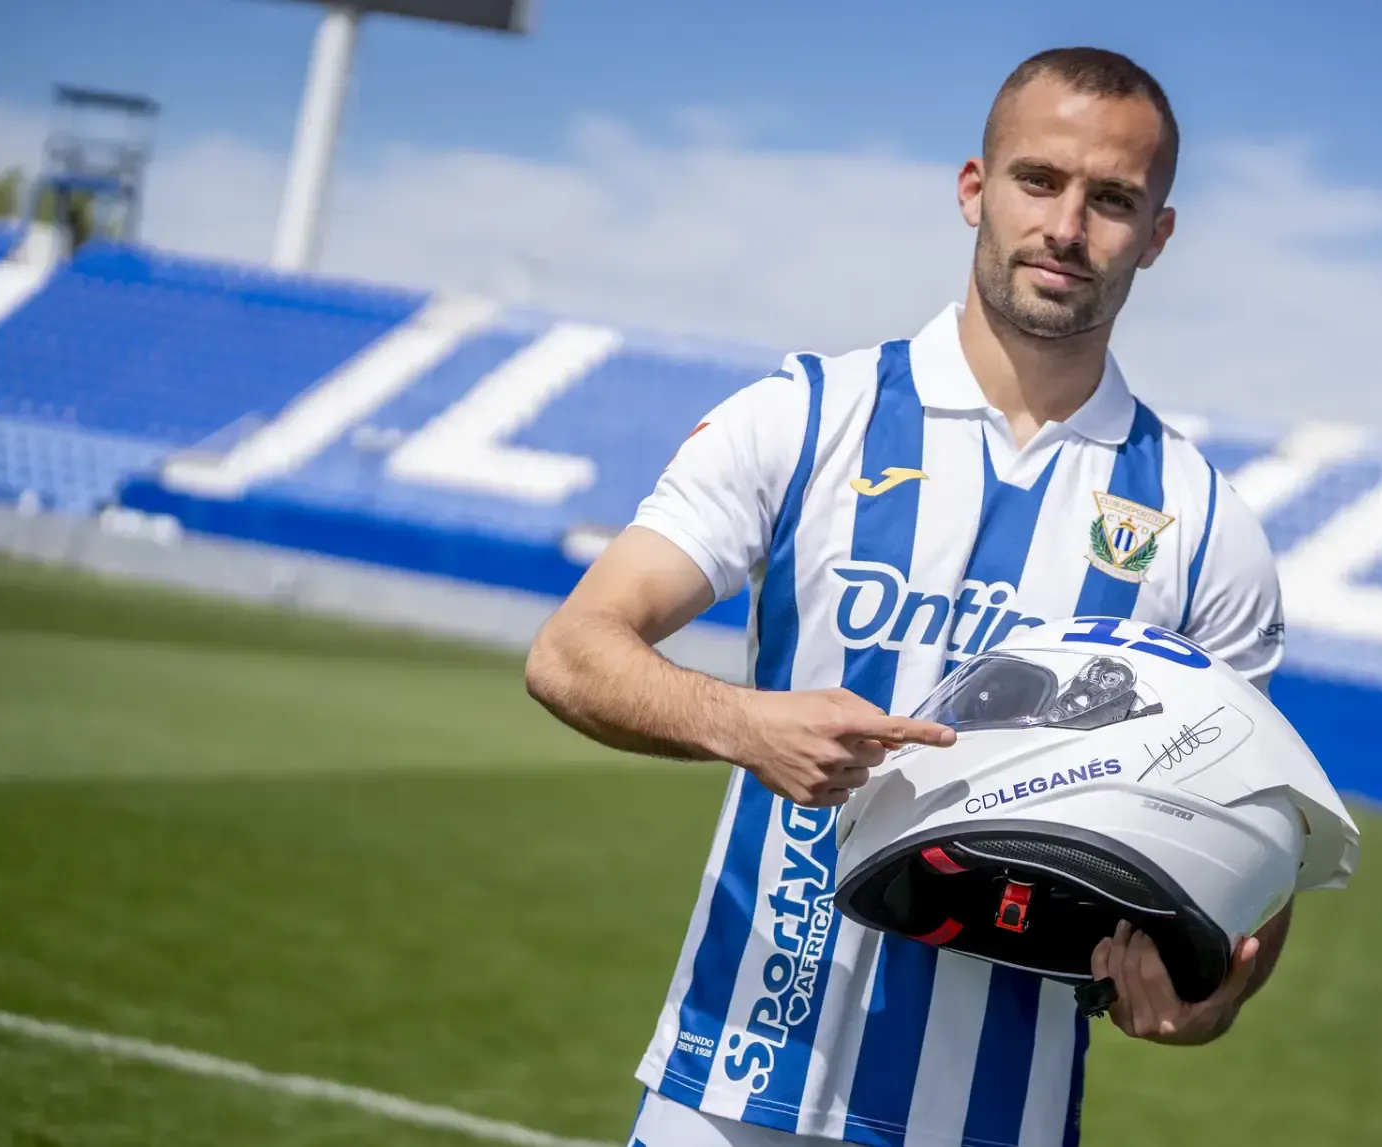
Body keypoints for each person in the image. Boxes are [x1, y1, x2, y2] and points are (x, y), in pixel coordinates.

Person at [527, 46, 1294, 1147]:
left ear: (1158, 234)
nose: (1066, 228)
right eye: (1038, 180)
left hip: (995, 1119)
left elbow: (1259, 834)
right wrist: (741, 722)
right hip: (729, 1093)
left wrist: (1218, 992)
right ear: (975, 188)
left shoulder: (1207, 525)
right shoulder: (805, 416)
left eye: (1113, 199)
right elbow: (571, 650)